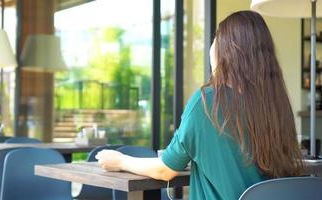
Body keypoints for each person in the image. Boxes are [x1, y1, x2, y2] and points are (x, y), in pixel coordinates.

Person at [96, 10, 302, 200]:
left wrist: (120, 161)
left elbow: (165, 169)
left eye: (216, 39)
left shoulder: (207, 102)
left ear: (226, 51)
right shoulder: (276, 105)